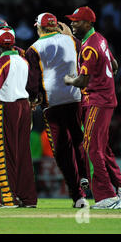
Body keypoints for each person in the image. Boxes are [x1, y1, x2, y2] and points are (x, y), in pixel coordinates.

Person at [64, 6, 121, 209]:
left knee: (91, 148)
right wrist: (104, 78)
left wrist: (68, 79)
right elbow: (114, 65)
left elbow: (83, 81)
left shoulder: (88, 47)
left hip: (97, 100)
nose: (73, 23)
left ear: (88, 23)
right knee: (102, 148)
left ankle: (107, 196)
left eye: (76, 21)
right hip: (104, 98)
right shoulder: (100, 39)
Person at [25, 12, 89, 208]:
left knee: (62, 150)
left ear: (39, 27)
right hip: (75, 96)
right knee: (79, 138)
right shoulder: (72, 40)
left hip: (52, 103)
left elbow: (33, 83)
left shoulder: (34, 48)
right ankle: (85, 174)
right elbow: (83, 63)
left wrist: (33, 99)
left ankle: (78, 195)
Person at [0, 26, 37, 208]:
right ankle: (27, 198)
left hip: (7, 106)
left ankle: (6, 198)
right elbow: (32, 85)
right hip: (24, 106)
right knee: (22, 153)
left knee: (4, 152)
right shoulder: (23, 61)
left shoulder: (1, 62)